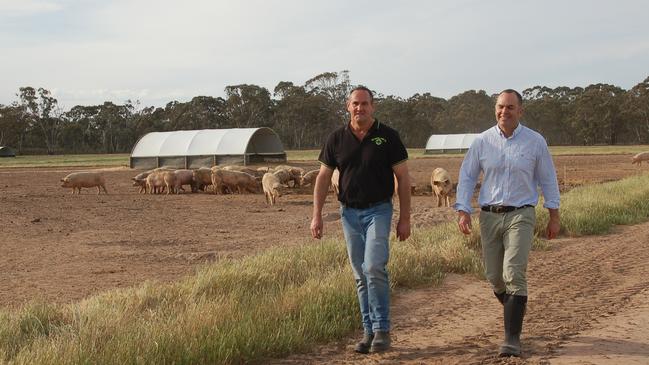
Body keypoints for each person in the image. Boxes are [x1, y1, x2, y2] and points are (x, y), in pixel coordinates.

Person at [454, 89, 560, 357]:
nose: (504, 112)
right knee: (494, 276)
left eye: (510, 107)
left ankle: (512, 338)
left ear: (520, 111)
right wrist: (463, 209)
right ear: (495, 109)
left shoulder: (535, 142)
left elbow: (548, 178)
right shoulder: (482, 142)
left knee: (514, 273)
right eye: (500, 107)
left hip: (521, 214)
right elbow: (467, 176)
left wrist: (553, 214)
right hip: (489, 215)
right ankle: (516, 306)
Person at [310, 86, 411, 354]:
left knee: (374, 266)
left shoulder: (388, 136)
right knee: (359, 275)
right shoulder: (336, 139)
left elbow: (403, 178)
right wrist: (316, 216)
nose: (360, 108)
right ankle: (368, 332)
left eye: (365, 104)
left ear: (373, 107)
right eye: (356, 104)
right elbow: (322, 178)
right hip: (349, 214)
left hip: (379, 210)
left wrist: (405, 219)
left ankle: (382, 329)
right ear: (348, 106)